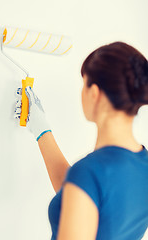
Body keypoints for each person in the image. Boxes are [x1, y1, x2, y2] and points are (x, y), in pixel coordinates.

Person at [14, 41, 148, 240]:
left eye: (83, 84)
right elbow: (81, 197)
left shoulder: (89, 173)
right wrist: (41, 129)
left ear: (94, 93)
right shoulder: (142, 165)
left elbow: (85, 186)